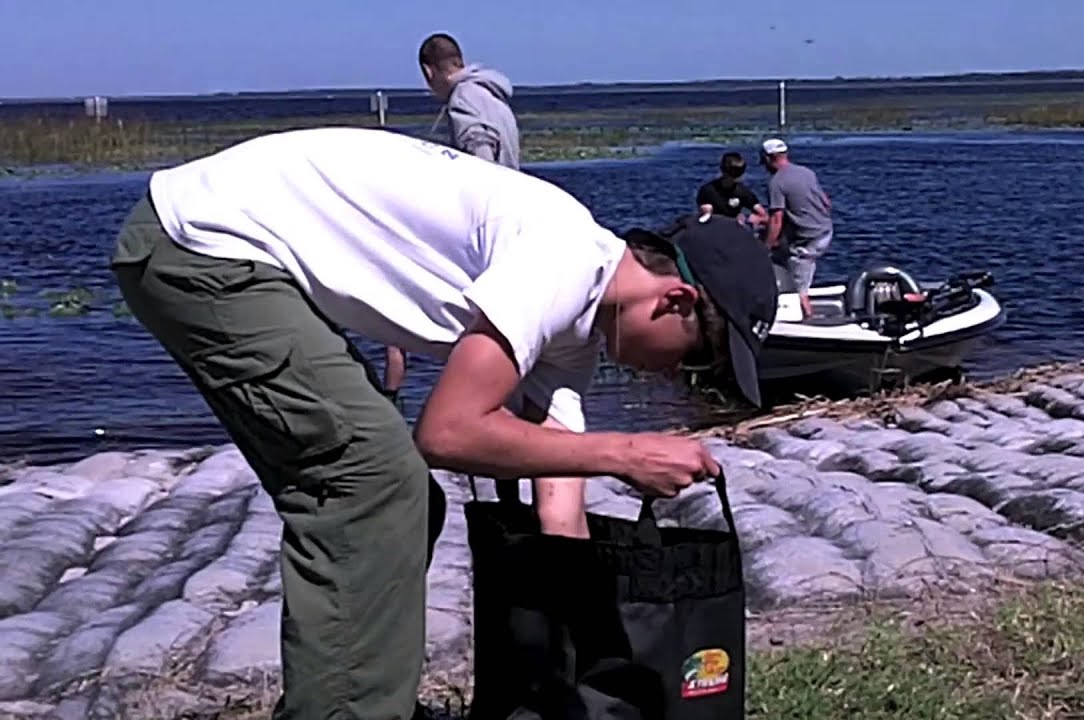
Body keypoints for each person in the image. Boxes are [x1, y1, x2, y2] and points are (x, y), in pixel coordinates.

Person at [108, 126, 779, 720]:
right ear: (675, 300)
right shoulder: (563, 257)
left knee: (394, 492)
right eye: (694, 360)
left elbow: (559, 489)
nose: (675, 378)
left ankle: (354, 698)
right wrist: (627, 452)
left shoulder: (577, 328)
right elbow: (448, 433)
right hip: (201, 245)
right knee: (371, 484)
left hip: (234, 250)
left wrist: (578, 665)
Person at [385, 34, 523, 417]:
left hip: (484, 231)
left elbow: (480, 162)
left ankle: (475, 413)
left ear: (428, 72)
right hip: (508, 221)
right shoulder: (492, 96)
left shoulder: (464, 100)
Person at [419, 32, 520, 170]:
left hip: (490, 189)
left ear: (428, 72)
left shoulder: (462, 98)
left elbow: (481, 157)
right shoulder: (491, 94)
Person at [760, 138, 834, 320]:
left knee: (799, 282)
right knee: (782, 256)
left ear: (769, 159)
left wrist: (764, 249)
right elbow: (826, 202)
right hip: (826, 230)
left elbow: (777, 219)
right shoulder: (806, 172)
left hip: (809, 239)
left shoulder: (776, 183)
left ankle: (808, 319)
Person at [695, 151, 768, 228]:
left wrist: (749, 219)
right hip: (714, 230)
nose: (736, 177)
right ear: (723, 170)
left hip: (734, 230)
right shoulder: (708, 191)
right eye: (732, 172)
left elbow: (765, 216)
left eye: (739, 172)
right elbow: (706, 218)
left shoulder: (743, 192)